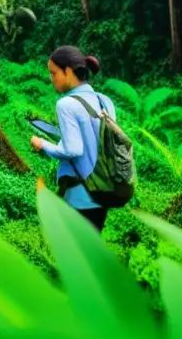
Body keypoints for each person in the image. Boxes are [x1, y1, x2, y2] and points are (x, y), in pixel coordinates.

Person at [30, 46, 117, 233]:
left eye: (54, 73)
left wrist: (42, 145)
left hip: (80, 196)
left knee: (77, 254)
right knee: (93, 246)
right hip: (105, 191)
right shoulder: (105, 101)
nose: (51, 79)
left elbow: (74, 151)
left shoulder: (66, 105)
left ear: (68, 71)